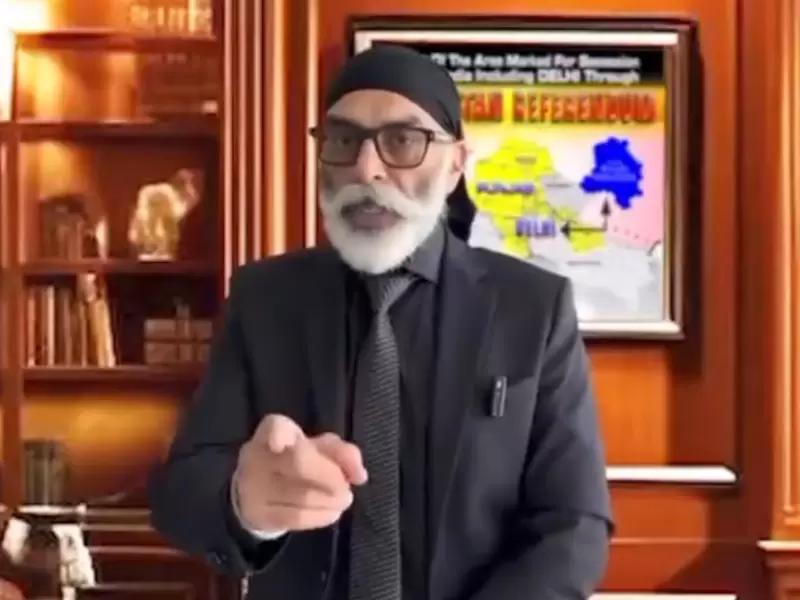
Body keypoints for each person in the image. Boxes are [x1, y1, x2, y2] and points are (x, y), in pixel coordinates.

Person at [148, 44, 614, 600]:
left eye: (403, 140)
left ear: (456, 163)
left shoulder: (532, 308)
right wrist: (243, 503)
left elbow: (573, 526)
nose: (366, 169)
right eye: (343, 140)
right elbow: (182, 492)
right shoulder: (265, 299)